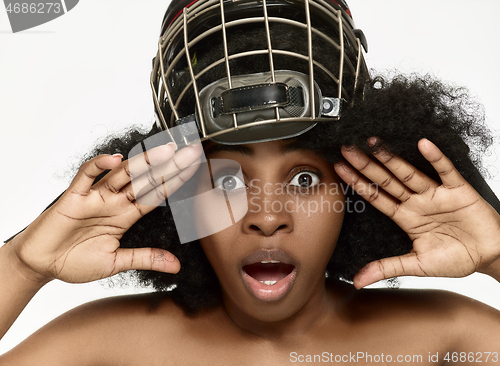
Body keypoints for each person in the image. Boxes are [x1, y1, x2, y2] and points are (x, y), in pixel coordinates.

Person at [1, 0, 500, 365]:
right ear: (178, 196)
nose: (266, 217)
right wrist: (20, 266)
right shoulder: (103, 349)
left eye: (304, 178)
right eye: (224, 179)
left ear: (355, 190)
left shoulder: (445, 343)